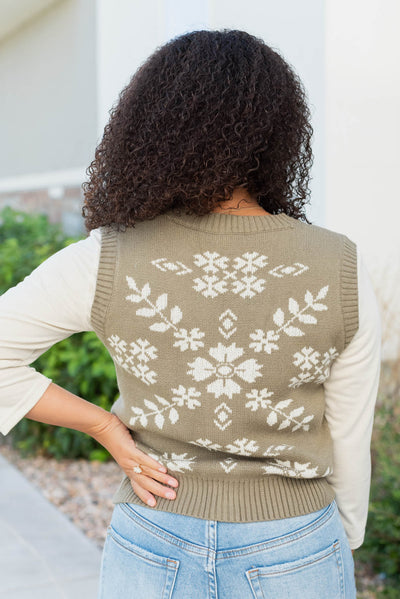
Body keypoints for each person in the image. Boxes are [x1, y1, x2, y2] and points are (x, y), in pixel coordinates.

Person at [0, 29, 381, 598]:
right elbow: (351, 430)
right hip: (294, 543)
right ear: (279, 134)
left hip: (152, 533)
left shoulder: (107, 256)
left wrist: (105, 427)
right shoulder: (341, 265)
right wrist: (340, 539)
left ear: (150, 127)